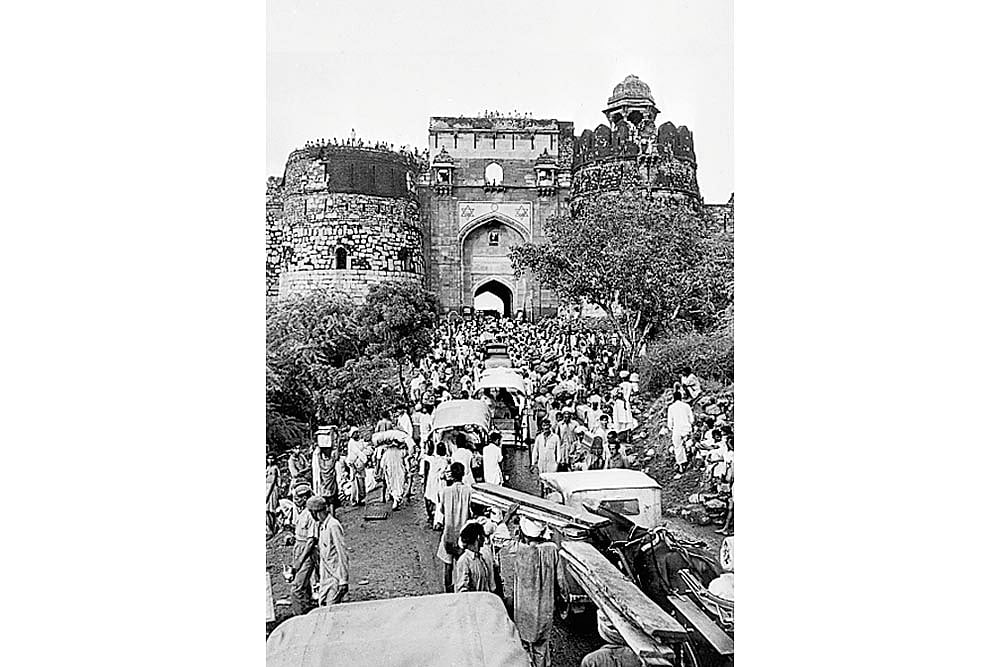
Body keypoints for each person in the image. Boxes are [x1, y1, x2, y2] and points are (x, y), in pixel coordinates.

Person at [510, 517, 559, 667]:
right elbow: (560, 580)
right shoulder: (551, 549)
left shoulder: (518, 550)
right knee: (541, 649)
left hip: (524, 612)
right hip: (545, 610)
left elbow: (501, 539)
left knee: (523, 648)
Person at [435, 461, 473, 592]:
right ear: (463, 474)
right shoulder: (469, 490)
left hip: (449, 531)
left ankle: (448, 591)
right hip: (463, 533)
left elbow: (442, 511)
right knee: (463, 565)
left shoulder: (445, 491)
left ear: (451, 475)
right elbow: (471, 511)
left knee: (448, 566)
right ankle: (462, 590)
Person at [308, 496, 349, 606]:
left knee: (331, 611)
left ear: (314, 512)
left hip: (335, 578)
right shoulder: (321, 527)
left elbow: (342, 553)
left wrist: (343, 580)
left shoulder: (333, 525)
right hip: (325, 578)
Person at [288, 486, 318, 615]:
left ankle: (299, 615)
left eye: (297, 498)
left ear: (304, 498)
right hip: (299, 546)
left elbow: (310, 540)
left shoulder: (310, 515)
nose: (294, 501)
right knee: (304, 586)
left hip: (306, 550)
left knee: (297, 588)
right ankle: (307, 608)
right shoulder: (301, 512)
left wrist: (300, 560)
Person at [453, 521, 494, 593]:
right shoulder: (464, 561)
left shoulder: (480, 558)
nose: (484, 541)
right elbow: (462, 589)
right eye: (482, 537)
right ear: (478, 538)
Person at [666, 391, 694, 478]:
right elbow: (692, 419)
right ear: (681, 397)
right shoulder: (686, 406)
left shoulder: (671, 407)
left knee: (678, 447)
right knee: (689, 445)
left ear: (673, 398)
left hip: (677, 430)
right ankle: (691, 461)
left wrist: (672, 428)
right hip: (686, 428)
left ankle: (681, 465)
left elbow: (670, 422)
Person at [423, 441, 448, 526]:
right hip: (440, 483)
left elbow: (424, 456)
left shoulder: (433, 459)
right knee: (439, 501)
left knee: (431, 498)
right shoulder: (445, 461)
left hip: (432, 482)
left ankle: (434, 518)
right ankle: (438, 521)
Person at [380, 440, 408, 510]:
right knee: (399, 485)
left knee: (393, 486)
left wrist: (383, 471)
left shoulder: (387, 453)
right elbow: (405, 455)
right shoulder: (399, 451)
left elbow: (382, 464)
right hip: (399, 471)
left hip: (391, 472)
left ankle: (395, 500)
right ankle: (396, 502)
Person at [345, 427, 368, 506]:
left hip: (360, 464)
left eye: (357, 433)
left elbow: (364, 449)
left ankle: (361, 498)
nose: (357, 434)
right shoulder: (351, 443)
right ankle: (354, 500)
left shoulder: (360, 442)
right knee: (354, 484)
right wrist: (364, 459)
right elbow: (357, 452)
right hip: (353, 464)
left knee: (361, 483)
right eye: (355, 433)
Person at [314, 441, 339, 509]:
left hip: (324, 489)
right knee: (332, 503)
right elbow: (335, 457)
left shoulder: (321, 464)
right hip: (331, 488)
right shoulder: (331, 463)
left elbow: (318, 456)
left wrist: (319, 448)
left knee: (326, 504)